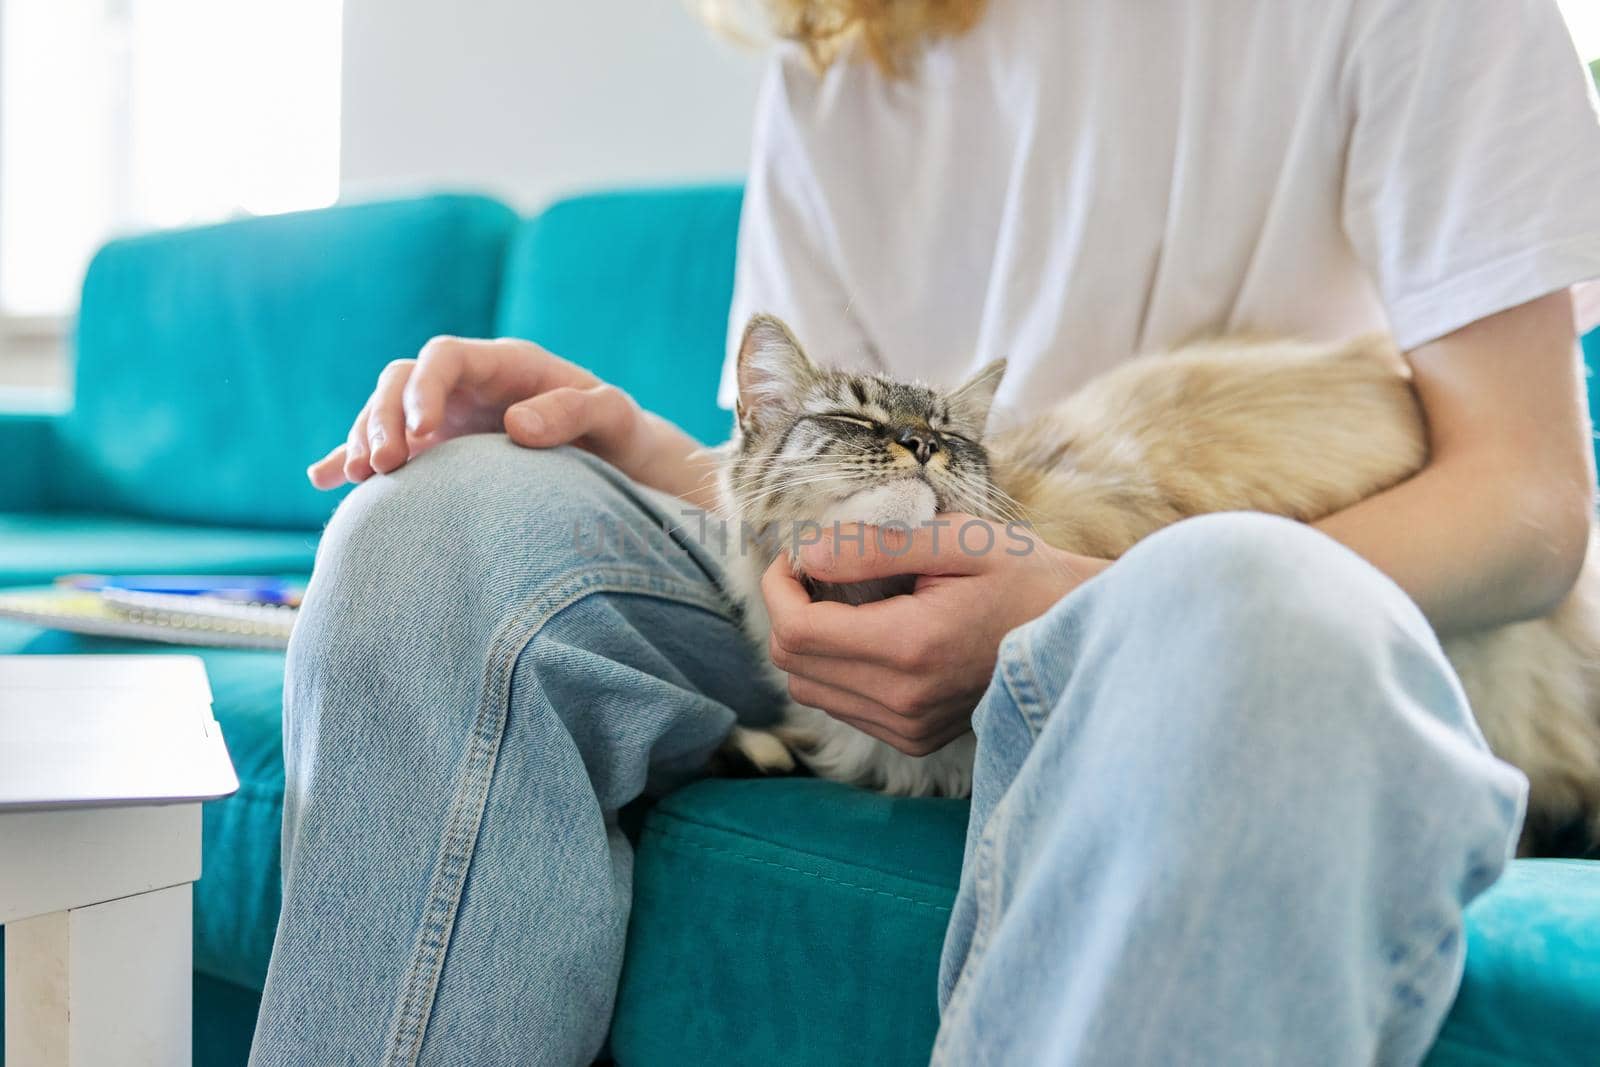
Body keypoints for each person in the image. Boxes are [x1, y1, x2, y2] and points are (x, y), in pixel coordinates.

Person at [250, 1, 1600, 1063]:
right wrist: (628, 441)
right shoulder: (846, 33)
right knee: (439, 524)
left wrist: (1073, 603)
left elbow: (1528, 507)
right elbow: (826, 493)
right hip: (944, 553)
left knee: (1253, 614)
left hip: (1204, 576)